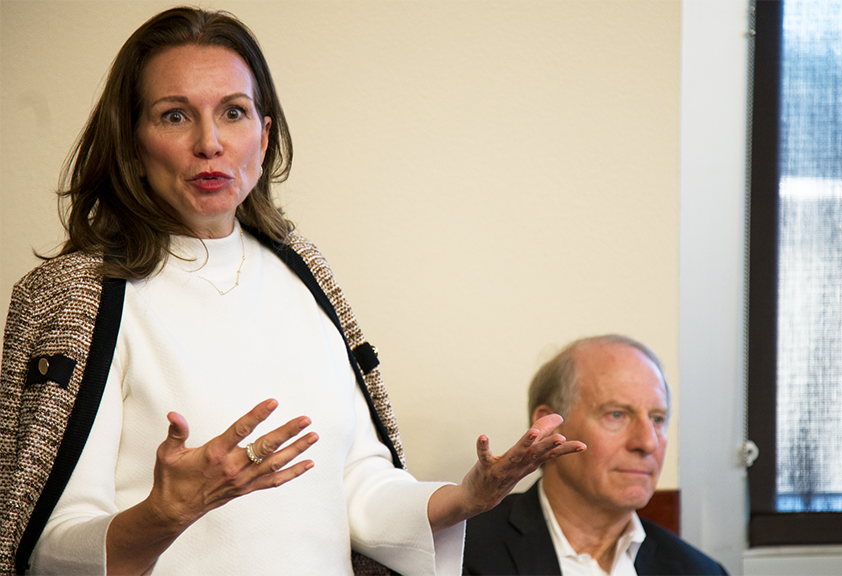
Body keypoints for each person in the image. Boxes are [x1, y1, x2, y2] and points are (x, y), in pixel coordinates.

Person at [0, 8, 587, 576]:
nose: (210, 142)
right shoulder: (81, 295)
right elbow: (47, 550)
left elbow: (358, 486)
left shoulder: (303, 272)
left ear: (264, 133)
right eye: (175, 116)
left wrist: (466, 497)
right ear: (132, 140)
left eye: (233, 112)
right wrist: (165, 515)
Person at [463, 335, 729, 576]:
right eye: (617, 415)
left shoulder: (701, 570)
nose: (647, 442)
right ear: (549, 428)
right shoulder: (461, 552)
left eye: (657, 419)